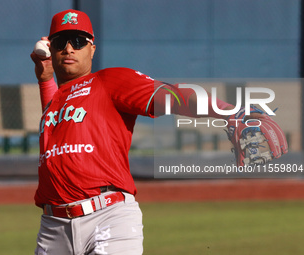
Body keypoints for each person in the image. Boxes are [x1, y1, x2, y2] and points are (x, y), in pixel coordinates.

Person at [30, 9, 268, 255]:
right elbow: (55, 122)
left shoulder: (109, 81)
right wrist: (45, 79)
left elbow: (174, 96)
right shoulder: (55, 100)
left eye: (78, 41)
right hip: (52, 227)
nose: (69, 49)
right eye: (60, 42)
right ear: (50, 48)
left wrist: (232, 112)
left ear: (92, 48)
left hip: (106, 217)